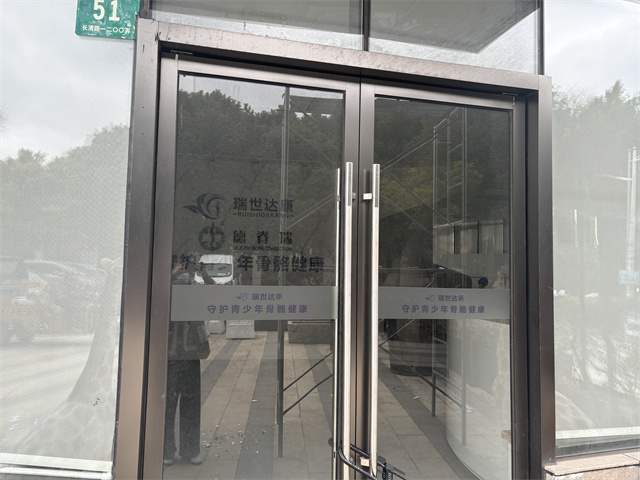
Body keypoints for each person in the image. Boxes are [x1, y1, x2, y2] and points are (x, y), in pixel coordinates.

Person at [164, 261, 211, 466]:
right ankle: (166, 450)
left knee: (191, 405)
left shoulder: (195, 292)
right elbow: (155, 293)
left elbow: (215, 295)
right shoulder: (166, 291)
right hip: (169, 358)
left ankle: (190, 450)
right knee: (167, 405)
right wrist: (172, 275)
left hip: (190, 357)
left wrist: (205, 274)